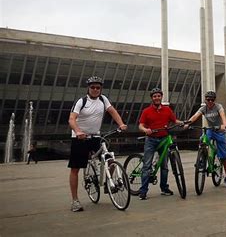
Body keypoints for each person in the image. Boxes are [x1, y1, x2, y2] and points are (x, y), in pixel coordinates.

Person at [68, 76, 127, 212]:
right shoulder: (81, 101)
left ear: (101, 89)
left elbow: (112, 111)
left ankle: (108, 183)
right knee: (75, 169)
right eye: (92, 87)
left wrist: (121, 124)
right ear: (88, 88)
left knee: (110, 159)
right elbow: (72, 119)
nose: (95, 89)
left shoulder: (103, 99)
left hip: (96, 136)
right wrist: (77, 131)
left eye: (98, 87)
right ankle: (75, 201)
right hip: (80, 138)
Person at [138, 87, 183, 200]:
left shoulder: (167, 110)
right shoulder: (146, 111)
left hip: (164, 139)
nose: (157, 98)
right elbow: (141, 125)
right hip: (151, 140)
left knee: (164, 166)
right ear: (152, 98)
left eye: (158, 96)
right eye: (154, 96)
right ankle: (143, 190)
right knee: (147, 165)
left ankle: (164, 188)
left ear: (161, 97)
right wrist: (145, 130)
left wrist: (183, 123)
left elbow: (174, 120)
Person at [184, 90, 226, 188]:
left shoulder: (218, 107)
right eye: (208, 99)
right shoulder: (203, 108)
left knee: (223, 156)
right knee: (203, 139)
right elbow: (195, 116)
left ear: (214, 100)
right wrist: (187, 123)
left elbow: (223, 116)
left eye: (212, 99)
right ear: (205, 100)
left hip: (219, 130)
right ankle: (202, 158)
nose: (210, 101)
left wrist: (224, 125)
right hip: (210, 129)